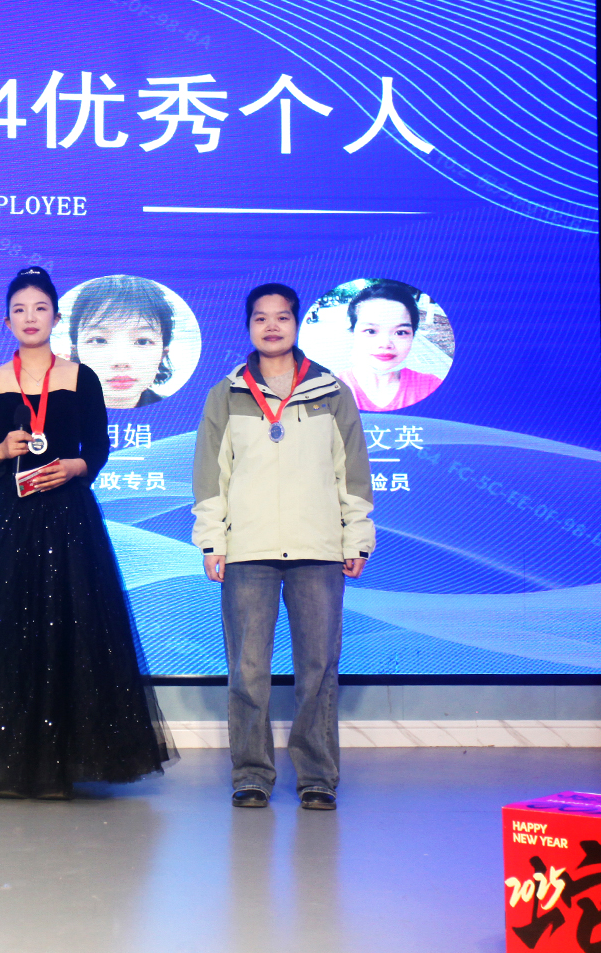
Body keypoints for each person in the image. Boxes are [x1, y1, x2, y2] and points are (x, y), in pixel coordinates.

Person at [0, 267, 171, 799]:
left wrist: (76, 467)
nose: (30, 318)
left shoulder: (82, 377)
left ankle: (61, 766)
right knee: (5, 633)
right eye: (20, 310)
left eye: (40, 309)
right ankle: (6, 763)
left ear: (55, 317)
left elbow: (97, 448)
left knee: (70, 632)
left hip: (68, 517)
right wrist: (1, 450)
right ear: (6, 321)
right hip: (8, 518)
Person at [191, 284, 375, 812]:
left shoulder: (331, 391)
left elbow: (352, 472)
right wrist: (212, 540)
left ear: (297, 324)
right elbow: (211, 476)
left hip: (318, 550)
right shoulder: (227, 394)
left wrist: (357, 536)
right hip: (248, 552)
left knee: (318, 669)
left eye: (282, 318)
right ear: (248, 326)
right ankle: (251, 774)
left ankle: (317, 777)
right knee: (248, 672)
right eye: (261, 318)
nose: (272, 327)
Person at [66, 275, 176, 410]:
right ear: (75, 352)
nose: (121, 361)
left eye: (142, 341)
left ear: (162, 354)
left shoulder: (178, 413)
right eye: (99, 340)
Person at [335, 280, 443, 412]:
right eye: (371, 331)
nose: (385, 344)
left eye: (400, 332)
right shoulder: (329, 390)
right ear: (353, 332)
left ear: (412, 336)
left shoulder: (431, 387)